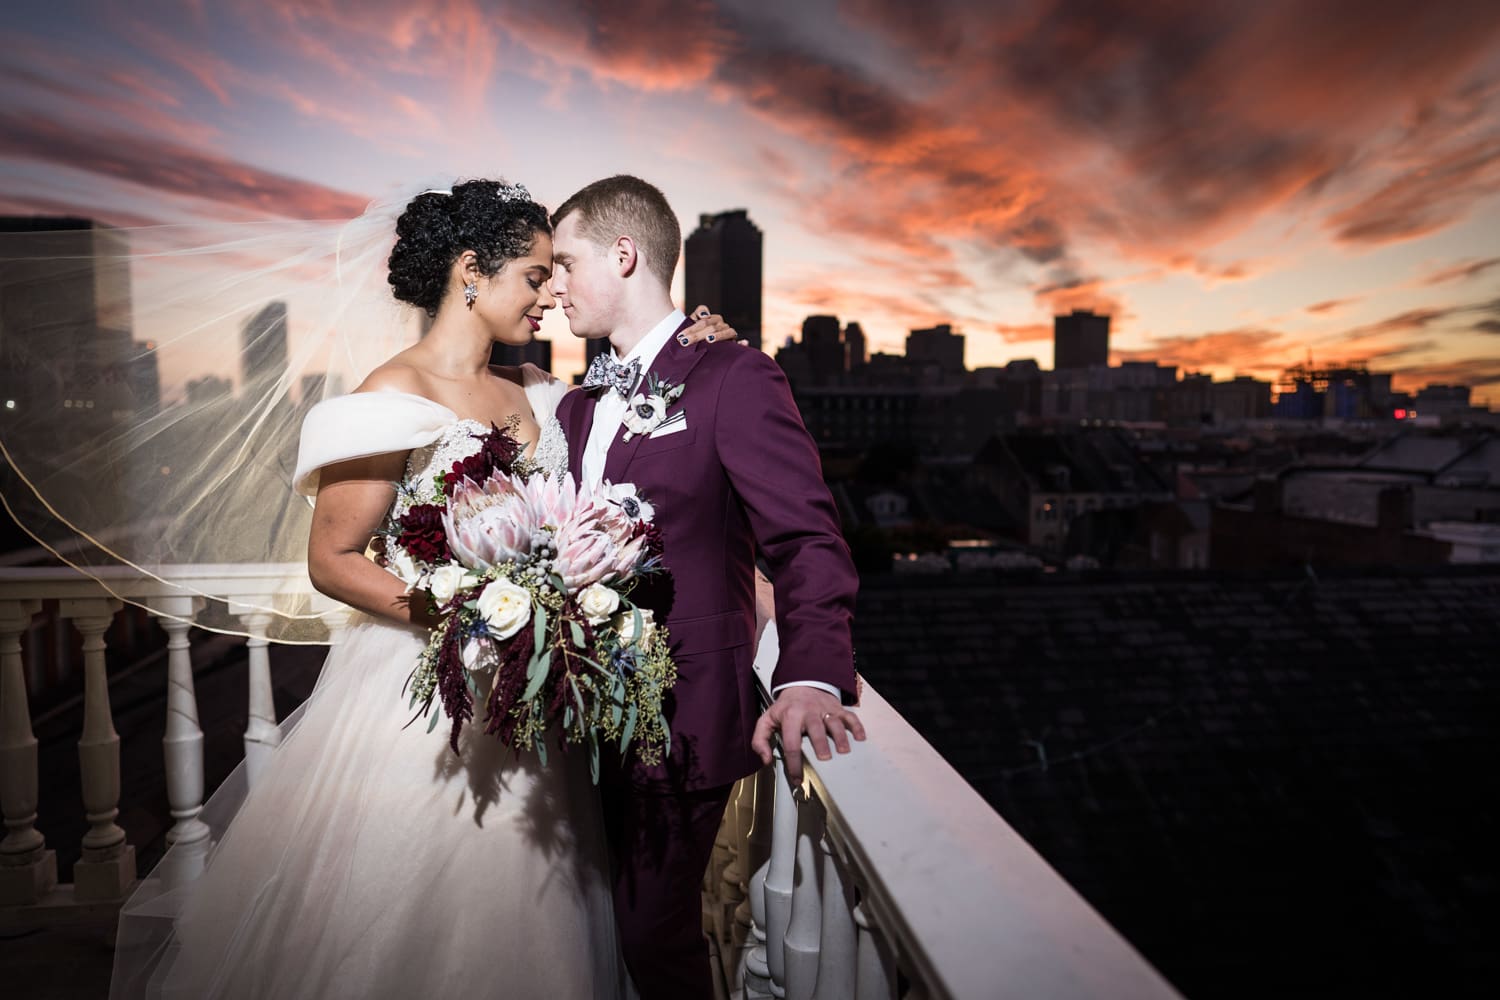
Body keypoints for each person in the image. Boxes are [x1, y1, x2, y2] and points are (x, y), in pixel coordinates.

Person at [107, 179, 734, 999]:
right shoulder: (387, 397)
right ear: (472, 272)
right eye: (537, 276)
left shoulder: (541, 392)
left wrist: (700, 343)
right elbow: (332, 558)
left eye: (557, 275)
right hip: (429, 710)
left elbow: (648, 429)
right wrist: (465, 617)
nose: (553, 294)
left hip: (539, 717)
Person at [550, 174, 866, 999]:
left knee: (654, 938)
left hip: (684, 712)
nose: (555, 285)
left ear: (623, 254)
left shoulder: (734, 375)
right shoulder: (578, 408)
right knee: (600, 920)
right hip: (582, 719)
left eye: (565, 263)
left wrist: (808, 674)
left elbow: (806, 540)